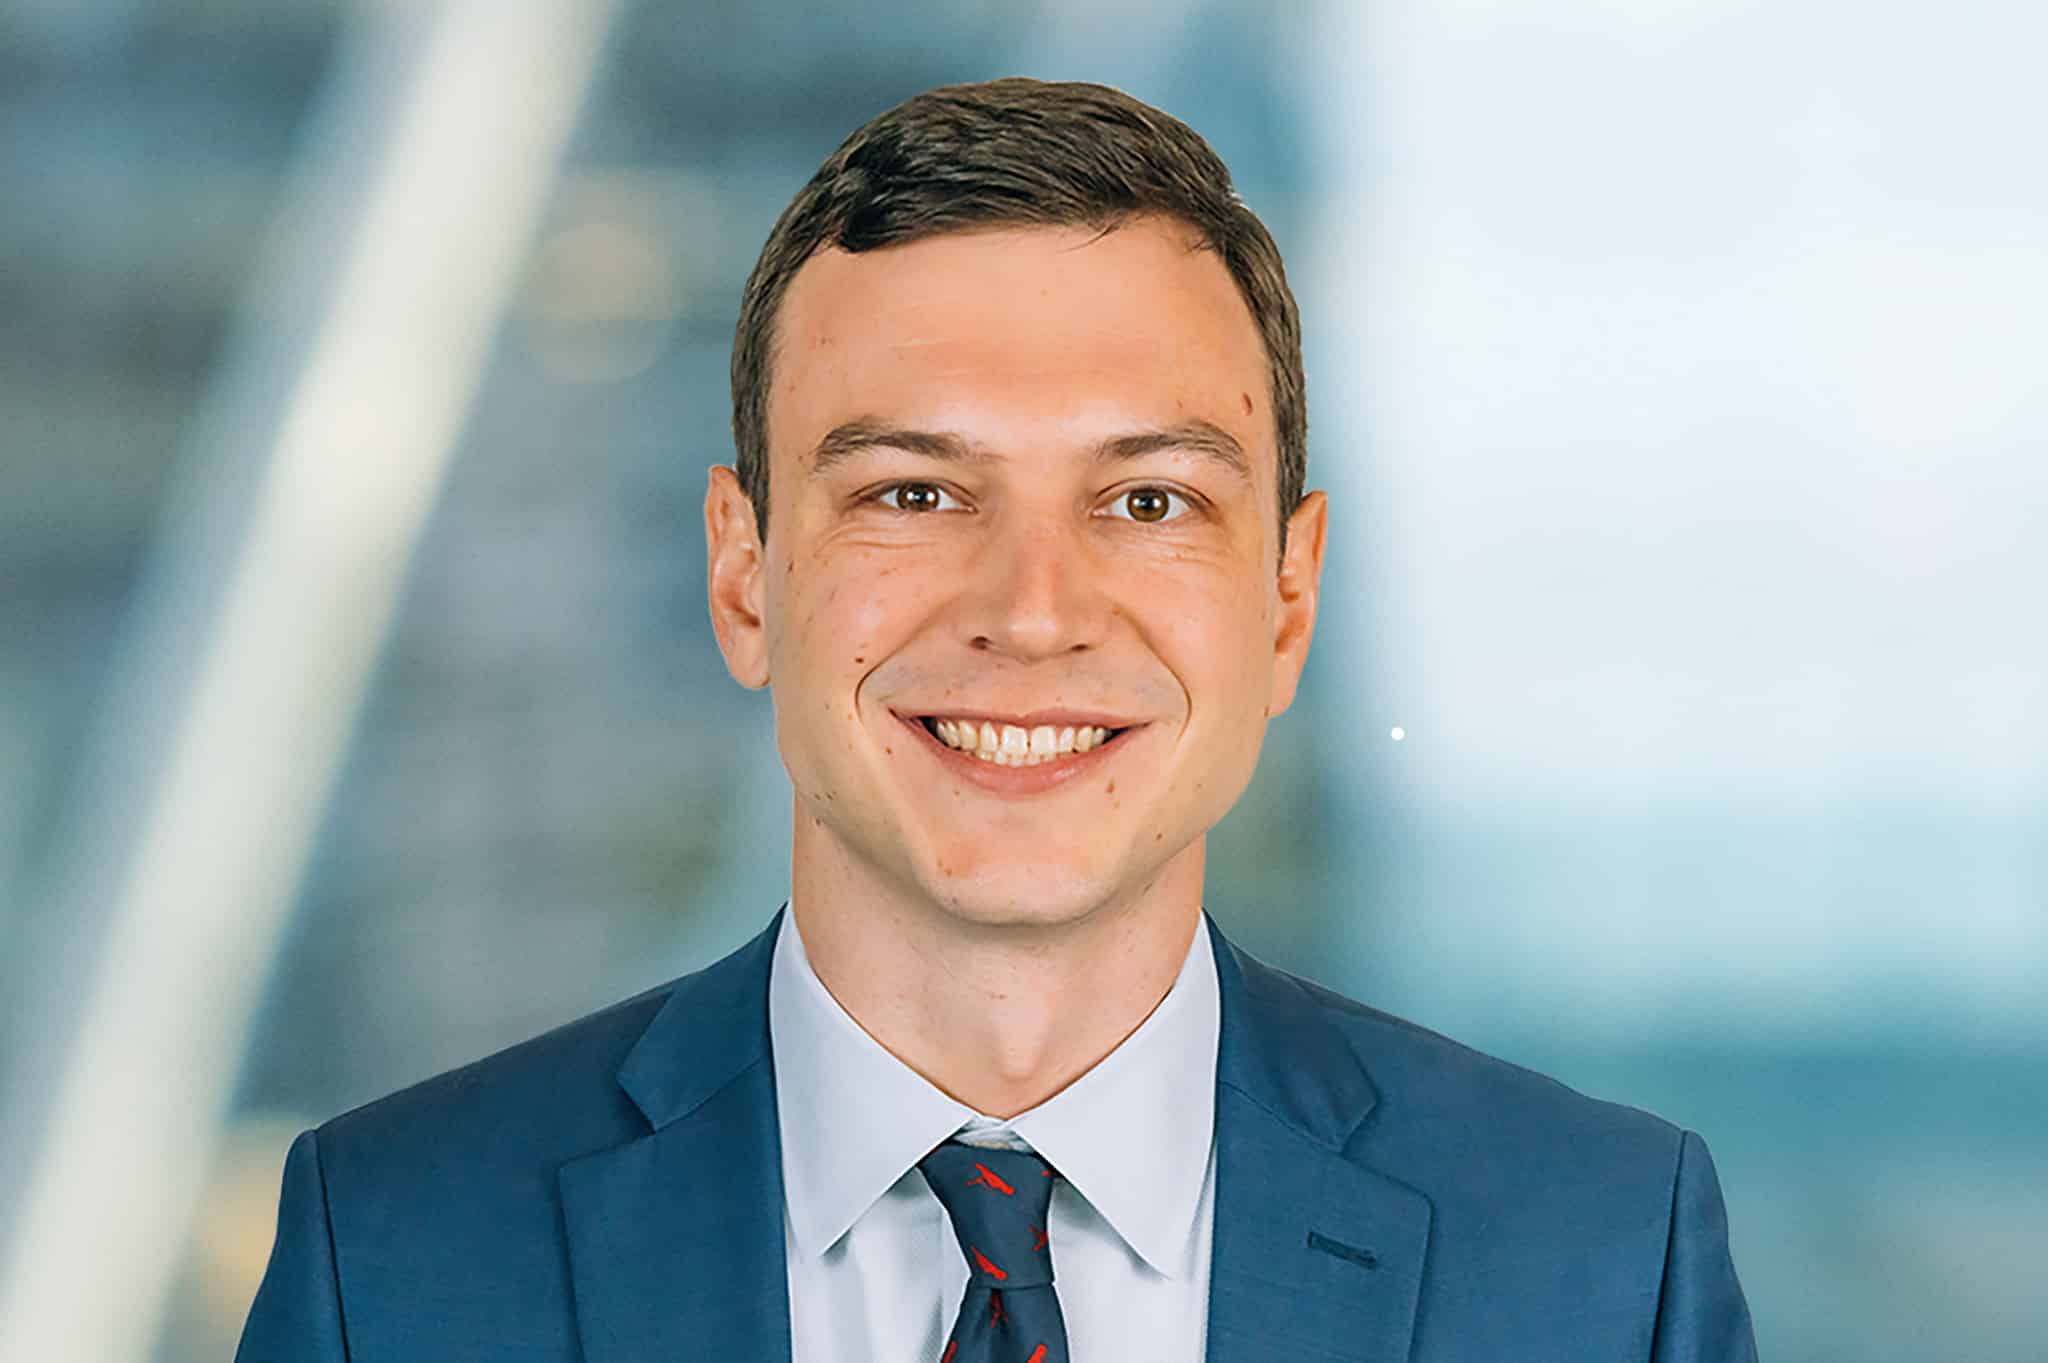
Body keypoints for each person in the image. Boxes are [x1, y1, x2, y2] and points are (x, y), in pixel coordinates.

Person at [238, 78, 1756, 1362]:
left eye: (1148, 500)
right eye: (914, 493)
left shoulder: (1602, 1263)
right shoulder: (393, 1261)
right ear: (745, 575)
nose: (1034, 611)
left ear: (1288, 602)